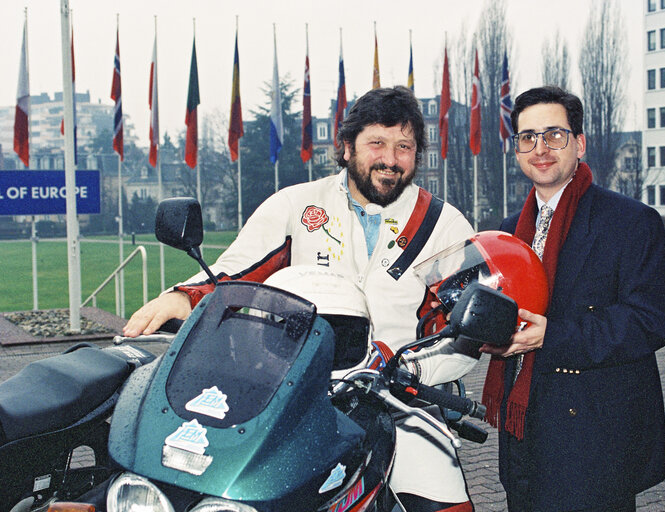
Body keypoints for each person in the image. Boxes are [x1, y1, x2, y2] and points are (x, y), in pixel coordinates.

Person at [124, 86, 478, 512]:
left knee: (439, 494)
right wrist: (185, 298)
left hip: (399, 399)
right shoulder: (296, 205)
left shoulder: (446, 225)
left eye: (404, 147)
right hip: (290, 396)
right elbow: (235, 271)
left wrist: (408, 366)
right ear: (347, 148)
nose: (391, 159)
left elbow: (465, 328)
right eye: (377, 143)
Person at [479, 86, 665, 512]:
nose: (541, 148)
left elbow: (651, 321)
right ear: (517, 150)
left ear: (580, 143)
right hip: (525, 432)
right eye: (528, 137)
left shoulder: (631, 221)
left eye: (554, 134)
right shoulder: (511, 229)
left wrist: (553, 336)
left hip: (594, 437)